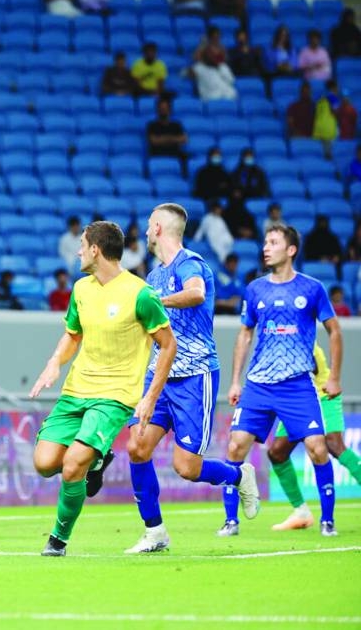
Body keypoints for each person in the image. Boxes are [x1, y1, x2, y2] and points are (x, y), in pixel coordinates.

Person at [29, 221, 177, 557]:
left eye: (82, 245)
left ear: (96, 249)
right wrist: (54, 363)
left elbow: (168, 345)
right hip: (76, 390)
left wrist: (150, 396)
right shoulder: (81, 289)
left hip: (115, 396)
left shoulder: (141, 294)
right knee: (44, 462)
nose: (78, 251)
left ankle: (58, 539)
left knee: (72, 466)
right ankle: (97, 464)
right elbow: (73, 334)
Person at [124, 204, 258, 553]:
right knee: (137, 447)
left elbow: (196, 293)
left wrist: (159, 301)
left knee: (186, 467)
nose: (146, 229)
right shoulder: (153, 276)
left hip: (195, 376)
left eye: (149, 223)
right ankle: (155, 532)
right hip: (161, 375)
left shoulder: (191, 264)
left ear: (157, 228)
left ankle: (238, 475)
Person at [220, 224, 342, 537]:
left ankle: (327, 521)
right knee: (235, 447)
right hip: (259, 385)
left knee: (318, 448)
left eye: (273, 242)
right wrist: (235, 381)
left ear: (291, 250)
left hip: (297, 385)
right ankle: (230, 521)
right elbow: (245, 334)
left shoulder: (312, 288)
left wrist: (335, 377)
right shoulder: (255, 289)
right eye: (264, 242)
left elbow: (335, 331)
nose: (265, 247)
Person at [269, 341, 359, 533]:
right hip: (295, 401)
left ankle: (327, 519)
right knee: (277, 452)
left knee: (334, 444)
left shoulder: (297, 333)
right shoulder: (274, 336)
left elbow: (311, 367)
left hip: (322, 395)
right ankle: (301, 512)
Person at [147, 97, 188, 167]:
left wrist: (163, 139)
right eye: (161, 108)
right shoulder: (152, 125)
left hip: (175, 154)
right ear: (157, 110)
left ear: (170, 110)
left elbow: (184, 139)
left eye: (165, 108)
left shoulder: (176, 125)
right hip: (158, 155)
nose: (163, 110)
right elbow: (153, 141)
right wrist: (173, 139)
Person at [194, 199, 234, 263]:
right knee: (219, 250)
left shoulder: (220, 219)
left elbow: (225, 231)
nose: (219, 211)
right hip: (213, 239)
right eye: (218, 209)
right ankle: (223, 262)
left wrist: (229, 239)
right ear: (213, 209)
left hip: (222, 238)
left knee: (229, 245)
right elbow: (201, 231)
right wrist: (196, 240)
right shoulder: (207, 218)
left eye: (220, 209)